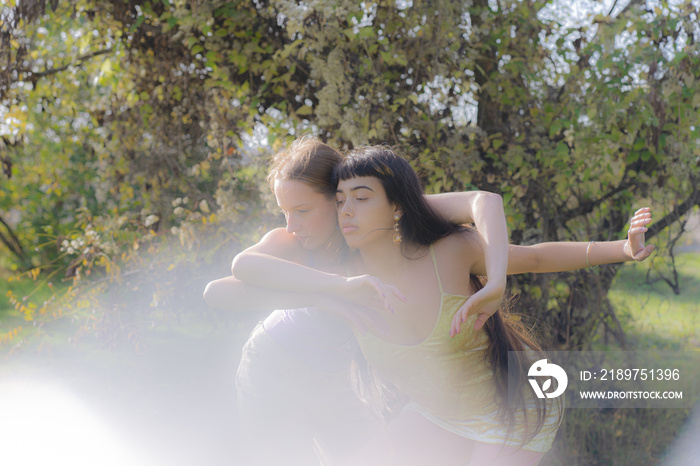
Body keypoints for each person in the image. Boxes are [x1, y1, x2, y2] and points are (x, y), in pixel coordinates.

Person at [230, 145, 653, 465]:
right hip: (437, 413)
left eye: (361, 198)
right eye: (340, 200)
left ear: (396, 207)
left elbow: (535, 255)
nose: (347, 212)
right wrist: (330, 292)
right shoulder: (340, 273)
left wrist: (625, 249)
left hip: (512, 408)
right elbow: (241, 273)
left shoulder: (449, 250)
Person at [203, 137, 512, 465]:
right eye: (284, 212)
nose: (291, 224)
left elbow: (483, 203)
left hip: (339, 379)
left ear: (337, 196)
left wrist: (496, 277)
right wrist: (330, 292)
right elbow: (223, 286)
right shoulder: (293, 240)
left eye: (303, 210)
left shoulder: (375, 214)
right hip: (272, 367)